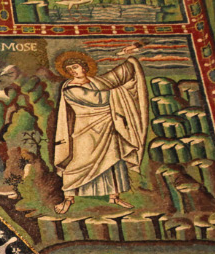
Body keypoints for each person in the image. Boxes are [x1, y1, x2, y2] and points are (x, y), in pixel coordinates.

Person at [52, 51, 148, 214]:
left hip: (108, 126)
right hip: (85, 129)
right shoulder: (70, 88)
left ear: (84, 67)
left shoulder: (97, 82)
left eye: (75, 67)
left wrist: (131, 62)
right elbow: (97, 99)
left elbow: (115, 77)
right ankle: (68, 198)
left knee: (114, 160)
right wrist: (120, 90)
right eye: (69, 69)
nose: (73, 71)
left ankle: (114, 197)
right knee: (78, 163)